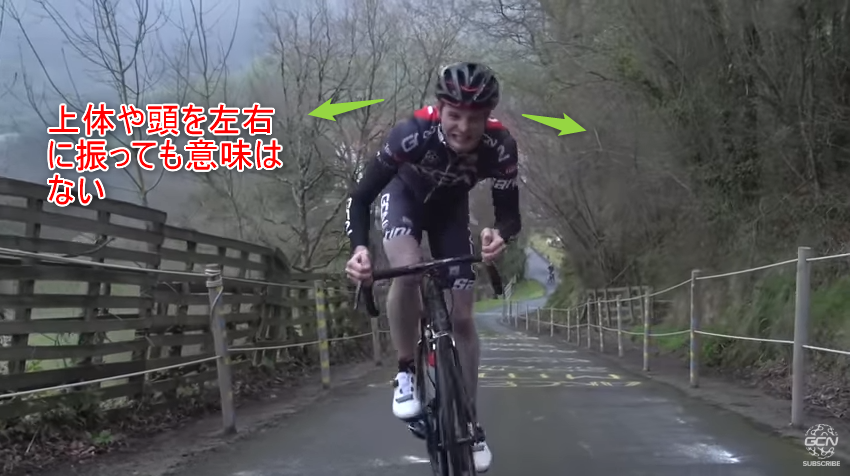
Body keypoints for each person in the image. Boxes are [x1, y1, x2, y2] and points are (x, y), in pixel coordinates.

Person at [343, 61, 521, 474]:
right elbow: (360, 198)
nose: (463, 127)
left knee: (463, 318)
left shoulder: (500, 146)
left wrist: (499, 236)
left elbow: (510, 215)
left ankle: (471, 423)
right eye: (454, 115)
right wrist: (359, 250)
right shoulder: (412, 133)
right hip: (403, 197)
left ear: (488, 116)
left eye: (475, 118)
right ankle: (406, 370)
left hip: (450, 212)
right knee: (407, 269)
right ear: (439, 109)